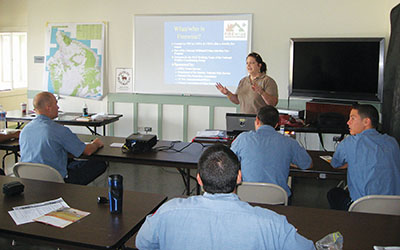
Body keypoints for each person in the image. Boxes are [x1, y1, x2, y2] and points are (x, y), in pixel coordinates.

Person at [136, 144, 315, 250]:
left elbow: (142, 243)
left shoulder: (167, 212)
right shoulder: (273, 224)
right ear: (239, 177)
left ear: (199, 179)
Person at [19, 91, 107, 185]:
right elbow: (87, 151)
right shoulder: (59, 130)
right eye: (56, 104)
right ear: (48, 108)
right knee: (99, 163)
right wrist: (96, 144)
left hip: (29, 181)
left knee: (70, 160)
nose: (58, 107)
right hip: (56, 181)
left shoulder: (25, 130)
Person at [328, 104, 400, 210]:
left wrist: (350, 163)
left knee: (333, 193)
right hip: (394, 207)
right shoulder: (392, 142)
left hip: (362, 207)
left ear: (366, 122)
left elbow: (335, 164)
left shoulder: (349, 143)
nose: (348, 122)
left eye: (353, 118)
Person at [231, 105, 312, 197]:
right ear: (277, 124)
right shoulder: (290, 143)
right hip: (276, 198)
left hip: (247, 196)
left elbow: (229, 162)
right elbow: (308, 164)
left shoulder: (243, 138)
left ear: (257, 120)